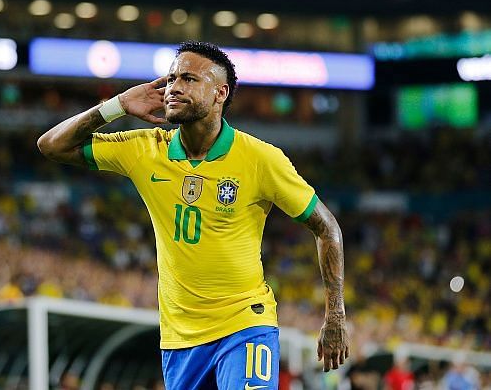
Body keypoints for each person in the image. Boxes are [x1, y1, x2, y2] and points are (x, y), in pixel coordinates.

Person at [38, 41, 349, 389]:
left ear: (220, 93)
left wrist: (335, 313)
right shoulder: (146, 149)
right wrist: (117, 105)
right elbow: (52, 145)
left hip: (245, 324)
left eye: (188, 79)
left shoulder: (262, 159)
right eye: (171, 79)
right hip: (180, 339)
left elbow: (326, 228)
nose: (174, 88)